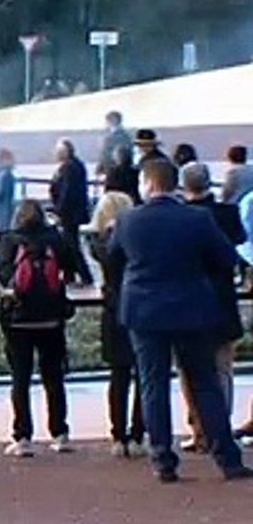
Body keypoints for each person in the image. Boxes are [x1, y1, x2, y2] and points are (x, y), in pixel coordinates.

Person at [106, 158, 251, 483]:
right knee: (205, 382)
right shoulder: (196, 219)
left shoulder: (128, 220)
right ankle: (226, 458)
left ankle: (162, 459)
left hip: (143, 311)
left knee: (152, 383)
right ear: (173, 184)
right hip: (191, 308)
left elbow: (110, 259)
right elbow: (227, 258)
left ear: (147, 183)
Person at [0, 199, 79, 457]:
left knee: (20, 378)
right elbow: (72, 265)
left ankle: (22, 437)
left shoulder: (9, 240)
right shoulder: (54, 238)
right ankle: (60, 433)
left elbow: (2, 273)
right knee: (53, 376)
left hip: (18, 318)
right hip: (51, 316)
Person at [178, 162, 246, 454]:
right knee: (223, 371)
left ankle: (199, 430)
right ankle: (222, 429)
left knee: (188, 371)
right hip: (221, 301)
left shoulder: (180, 217)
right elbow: (239, 245)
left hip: (187, 304)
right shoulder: (227, 214)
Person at [88, 192, 145, 458]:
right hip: (140, 306)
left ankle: (118, 434)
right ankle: (137, 433)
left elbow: (107, 262)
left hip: (114, 308)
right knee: (143, 373)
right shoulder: (137, 236)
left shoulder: (98, 241)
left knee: (118, 375)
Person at [49, 138, 93, 286]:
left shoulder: (70, 167)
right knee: (68, 245)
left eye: (60, 151)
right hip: (70, 213)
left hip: (70, 214)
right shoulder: (71, 165)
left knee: (72, 246)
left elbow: (67, 192)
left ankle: (85, 277)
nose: (57, 153)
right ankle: (70, 276)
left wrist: (58, 211)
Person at [98, 111, 133, 176]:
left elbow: (105, 155)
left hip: (113, 170)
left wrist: (100, 168)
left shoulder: (113, 137)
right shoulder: (127, 136)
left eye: (108, 121)